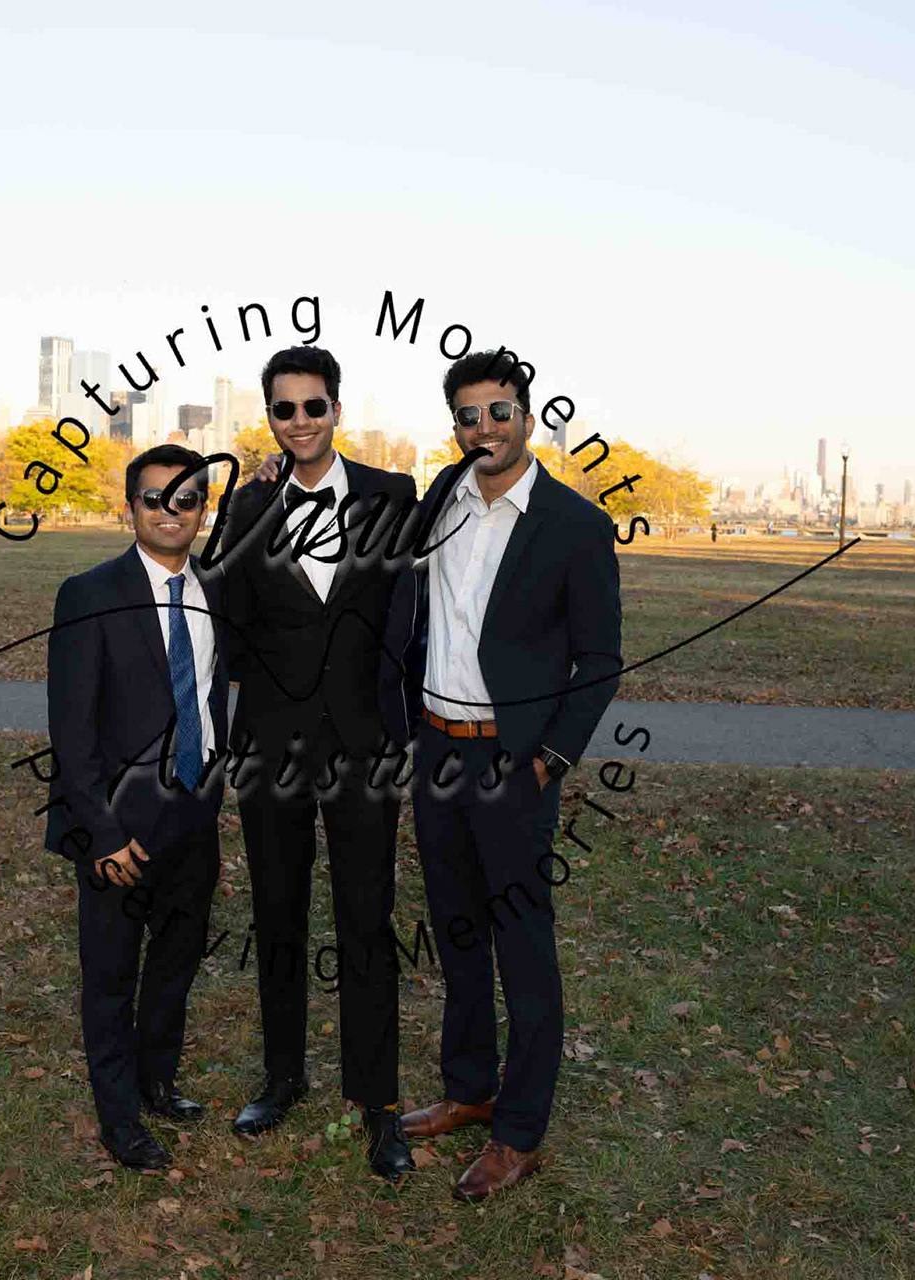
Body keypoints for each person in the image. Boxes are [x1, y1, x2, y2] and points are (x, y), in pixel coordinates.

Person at [379, 348, 623, 1202]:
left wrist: (551, 759)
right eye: (468, 415)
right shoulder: (440, 498)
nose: (484, 427)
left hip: (511, 760)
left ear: (528, 416)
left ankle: (519, 1134)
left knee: (522, 946)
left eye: (499, 411)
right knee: (456, 930)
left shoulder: (574, 525)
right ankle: (470, 1089)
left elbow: (600, 659)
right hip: (437, 748)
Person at [214, 345, 418, 1179]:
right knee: (278, 914)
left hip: (365, 747)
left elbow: (411, 617)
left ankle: (379, 1103)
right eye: (283, 409)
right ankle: (282, 1077)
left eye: (313, 405)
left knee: (367, 921)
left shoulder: (391, 495)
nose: (299, 421)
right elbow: (226, 619)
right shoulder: (248, 506)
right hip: (272, 746)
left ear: (337, 408)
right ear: (269, 417)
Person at [44, 444, 231, 1172]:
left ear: (202, 508)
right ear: (131, 507)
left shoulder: (217, 588)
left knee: (176, 964)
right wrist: (100, 832)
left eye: (186, 499)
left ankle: (157, 1081)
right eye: (154, 498)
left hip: (193, 813)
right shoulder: (89, 593)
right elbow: (72, 730)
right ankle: (119, 1119)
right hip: (118, 825)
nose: (169, 512)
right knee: (111, 976)